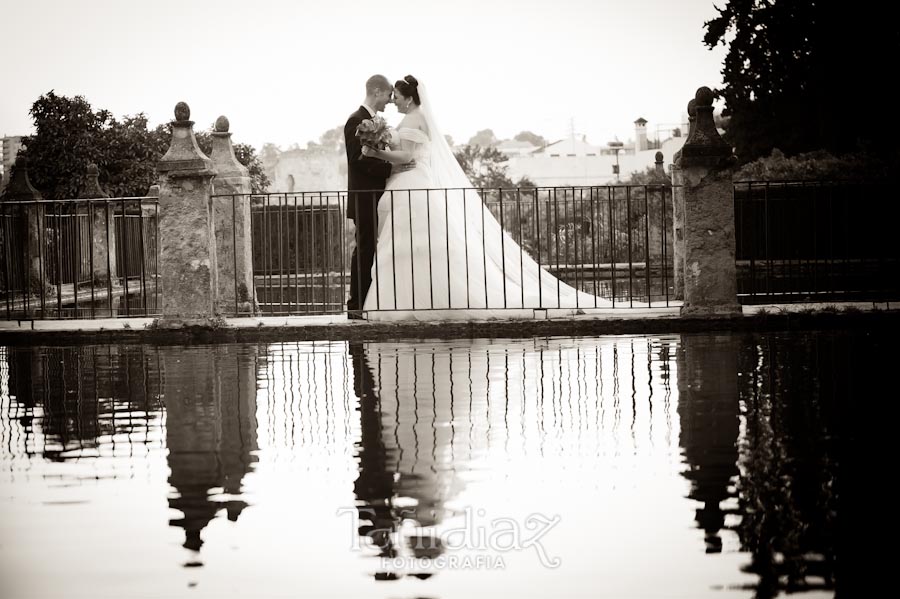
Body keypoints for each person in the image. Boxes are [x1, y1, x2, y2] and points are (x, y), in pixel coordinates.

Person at [360, 75, 608, 321]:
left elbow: (407, 158)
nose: (393, 101)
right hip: (406, 183)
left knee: (414, 245)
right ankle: (408, 300)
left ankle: (420, 301)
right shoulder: (412, 118)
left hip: (411, 183)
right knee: (406, 246)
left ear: (409, 98)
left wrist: (376, 153)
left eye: (397, 97)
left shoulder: (415, 119)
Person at [343, 74, 398, 319]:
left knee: (370, 249)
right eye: (388, 95)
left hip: (377, 195)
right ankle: (356, 305)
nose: (389, 101)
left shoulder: (374, 121)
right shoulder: (356, 120)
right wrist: (391, 169)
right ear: (377, 91)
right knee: (364, 249)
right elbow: (358, 161)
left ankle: (365, 302)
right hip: (364, 196)